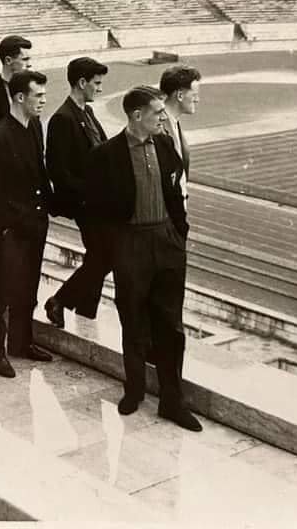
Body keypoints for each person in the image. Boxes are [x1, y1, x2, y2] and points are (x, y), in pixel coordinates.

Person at [83, 86, 201, 432]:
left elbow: (176, 191)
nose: (163, 119)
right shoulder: (106, 155)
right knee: (133, 321)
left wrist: (179, 234)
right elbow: (95, 210)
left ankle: (171, 401)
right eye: (157, 113)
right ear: (137, 116)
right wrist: (116, 246)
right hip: (130, 245)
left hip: (166, 242)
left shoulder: (164, 145)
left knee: (171, 326)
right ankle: (134, 391)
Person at [0, 70, 56, 378]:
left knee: (28, 287)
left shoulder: (35, 126)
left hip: (35, 224)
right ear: (20, 97)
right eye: (39, 95)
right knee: (0, 293)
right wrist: (16, 223)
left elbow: (40, 171)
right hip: (10, 230)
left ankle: (21, 343)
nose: (44, 101)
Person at [43, 57, 110, 328]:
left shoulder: (86, 112)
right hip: (86, 203)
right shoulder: (63, 118)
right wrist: (88, 195)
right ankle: (60, 301)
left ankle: (85, 312)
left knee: (99, 256)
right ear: (81, 83)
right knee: (105, 255)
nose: (100, 89)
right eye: (97, 83)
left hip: (97, 201)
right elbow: (58, 170)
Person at [159, 66, 201, 200]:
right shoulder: (156, 127)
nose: (197, 100)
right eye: (194, 95)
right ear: (180, 95)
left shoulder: (174, 122)